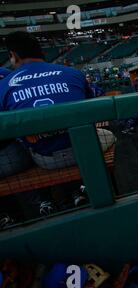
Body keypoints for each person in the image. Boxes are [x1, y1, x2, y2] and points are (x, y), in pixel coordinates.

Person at [0, 31, 116, 213]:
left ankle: (51, 199)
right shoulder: (72, 73)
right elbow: (92, 110)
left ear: (13, 55)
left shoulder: (4, 84)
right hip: (84, 149)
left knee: (21, 146)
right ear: (41, 52)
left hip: (46, 160)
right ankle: (87, 187)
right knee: (109, 134)